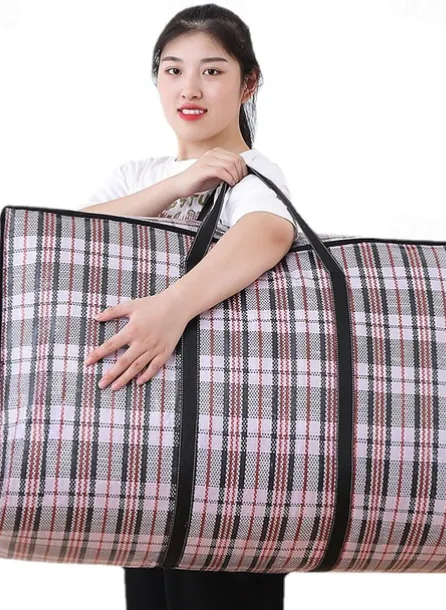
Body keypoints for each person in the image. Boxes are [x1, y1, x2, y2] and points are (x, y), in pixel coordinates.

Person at [81, 4, 295, 609]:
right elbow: (69, 233)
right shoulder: (137, 175)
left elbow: (268, 234)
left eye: (212, 71)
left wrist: (171, 308)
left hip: (235, 445)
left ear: (249, 83)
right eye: (173, 70)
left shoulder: (252, 173)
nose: (189, 89)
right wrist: (178, 183)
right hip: (144, 445)